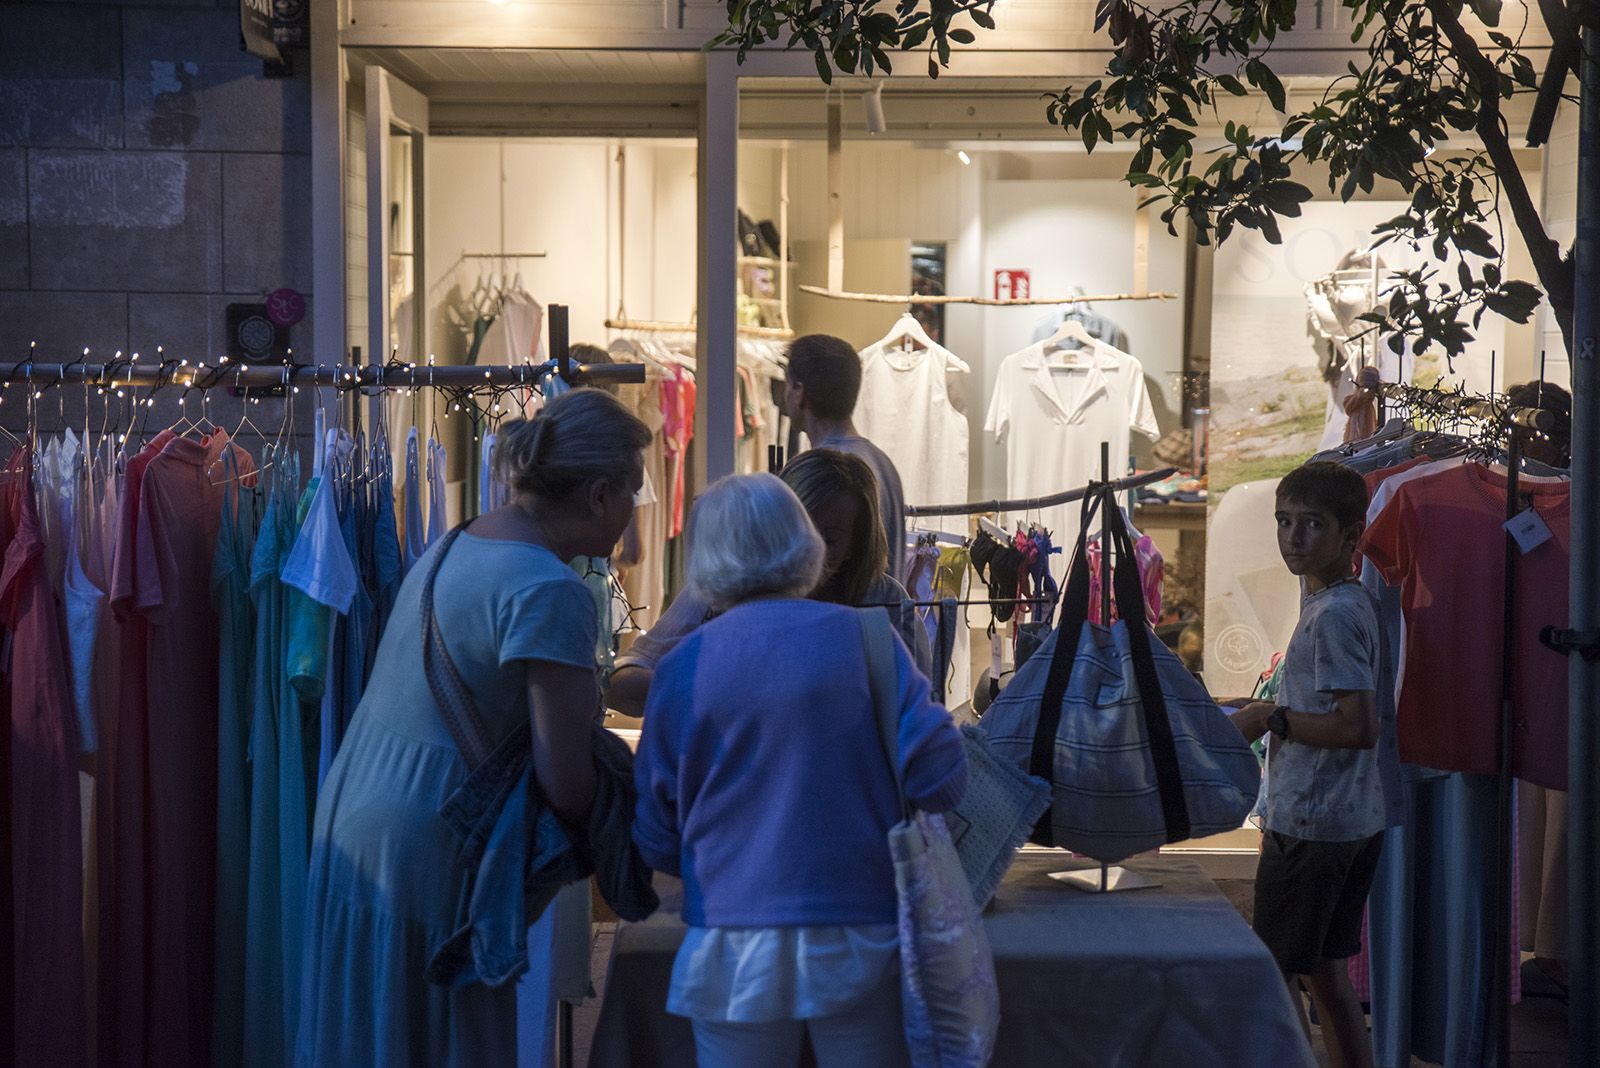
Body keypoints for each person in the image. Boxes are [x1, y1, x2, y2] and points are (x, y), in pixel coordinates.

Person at [296, 389, 652, 1065]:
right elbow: (567, 780)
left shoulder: (456, 543)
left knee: (368, 1031)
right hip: (432, 840)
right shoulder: (552, 589)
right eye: (632, 492)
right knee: (438, 1038)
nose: (635, 509)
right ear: (599, 495)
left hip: (357, 816)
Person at [632, 473, 968, 1068]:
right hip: (859, 927)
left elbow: (657, 836)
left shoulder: (681, 668)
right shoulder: (869, 640)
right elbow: (943, 778)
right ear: (805, 542)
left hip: (731, 939)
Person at [1225, 461, 1384, 1068]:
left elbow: (1357, 726)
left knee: (1273, 973)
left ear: (1350, 535)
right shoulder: (1337, 600)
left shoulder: (1335, 614)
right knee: (1323, 971)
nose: (1293, 538)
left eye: (1313, 524)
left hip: (1314, 826)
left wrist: (1272, 718)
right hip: (1348, 819)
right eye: (1284, 521)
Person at [605, 448, 931, 717]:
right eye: (799, 530)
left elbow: (919, 722)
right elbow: (622, 681)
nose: (810, 548)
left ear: (856, 545)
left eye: (828, 539)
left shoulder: (883, 604)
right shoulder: (725, 590)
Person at [785, 333, 907, 580]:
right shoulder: (882, 463)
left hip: (841, 606)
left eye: (787, 384)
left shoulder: (826, 472)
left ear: (799, 391)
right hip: (882, 606)